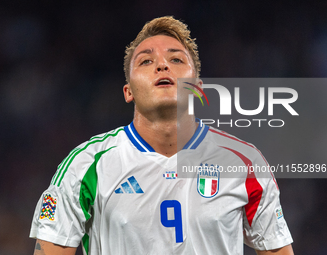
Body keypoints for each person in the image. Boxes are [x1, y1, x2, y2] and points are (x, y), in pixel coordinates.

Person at [30, 16, 294, 255]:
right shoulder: (86, 165)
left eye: (176, 59)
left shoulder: (244, 162)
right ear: (128, 91)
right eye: (146, 60)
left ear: (198, 88)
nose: (162, 66)